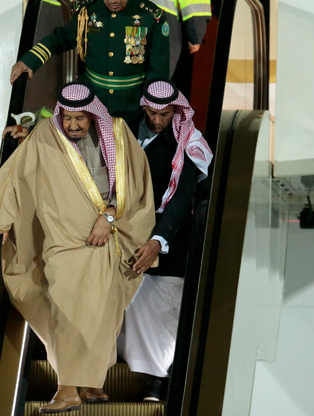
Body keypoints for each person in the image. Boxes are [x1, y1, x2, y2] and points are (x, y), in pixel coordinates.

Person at [0, 82, 156, 413]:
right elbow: (14, 176)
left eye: (80, 119)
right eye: (68, 119)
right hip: (62, 241)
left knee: (101, 315)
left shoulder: (117, 133)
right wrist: (1, 222)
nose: (73, 125)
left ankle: (89, 383)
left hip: (106, 238)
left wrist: (109, 217)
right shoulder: (45, 135)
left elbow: (135, 184)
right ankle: (67, 390)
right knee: (65, 312)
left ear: (93, 115)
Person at [119, 80, 212, 401]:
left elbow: (183, 197)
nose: (157, 120)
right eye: (152, 113)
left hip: (166, 239)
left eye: (165, 114)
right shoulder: (121, 126)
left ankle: (156, 380)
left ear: (176, 111)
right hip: (118, 232)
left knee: (158, 310)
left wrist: (158, 240)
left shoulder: (187, 140)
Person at [10, 0, 170, 125]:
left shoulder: (151, 15)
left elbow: (158, 69)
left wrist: (152, 104)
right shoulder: (87, 10)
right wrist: (29, 61)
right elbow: (61, 38)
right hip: (91, 100)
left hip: (131, 104)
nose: (112, 1)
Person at [82, 0, 211, 77]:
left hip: (116, 15)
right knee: (156, 83)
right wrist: (195, 34)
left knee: (116, 81)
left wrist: (83, 28)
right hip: (159, 19)